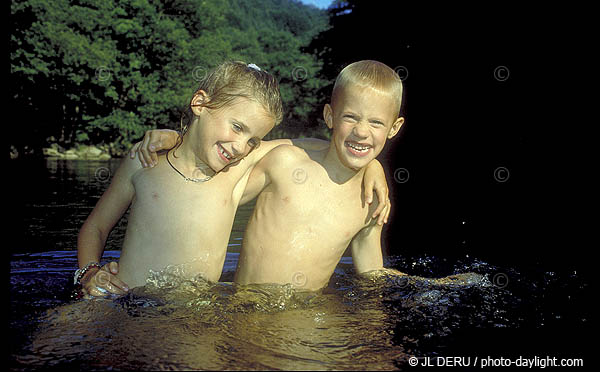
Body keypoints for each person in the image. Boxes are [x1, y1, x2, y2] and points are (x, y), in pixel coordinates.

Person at [75, 60, 391, 298]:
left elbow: (306, 146)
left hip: (193, 314)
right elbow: (95, 227)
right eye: (238, 128)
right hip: (119, 299)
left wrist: (372, 165)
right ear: (199, 104)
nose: (241, 146)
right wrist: (88, 273)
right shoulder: (143, 162)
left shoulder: (233, 175)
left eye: (253, 140)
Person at [234, 60, 407, 290]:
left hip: (311, 319)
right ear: (330, 116)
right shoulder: (285, 162)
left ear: (394, 128)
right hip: (247, 311)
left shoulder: (371, 201)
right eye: (351, 117)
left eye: (376, 122)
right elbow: (224, 196)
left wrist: (429, 285)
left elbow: (372, 275)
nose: (361, 131)